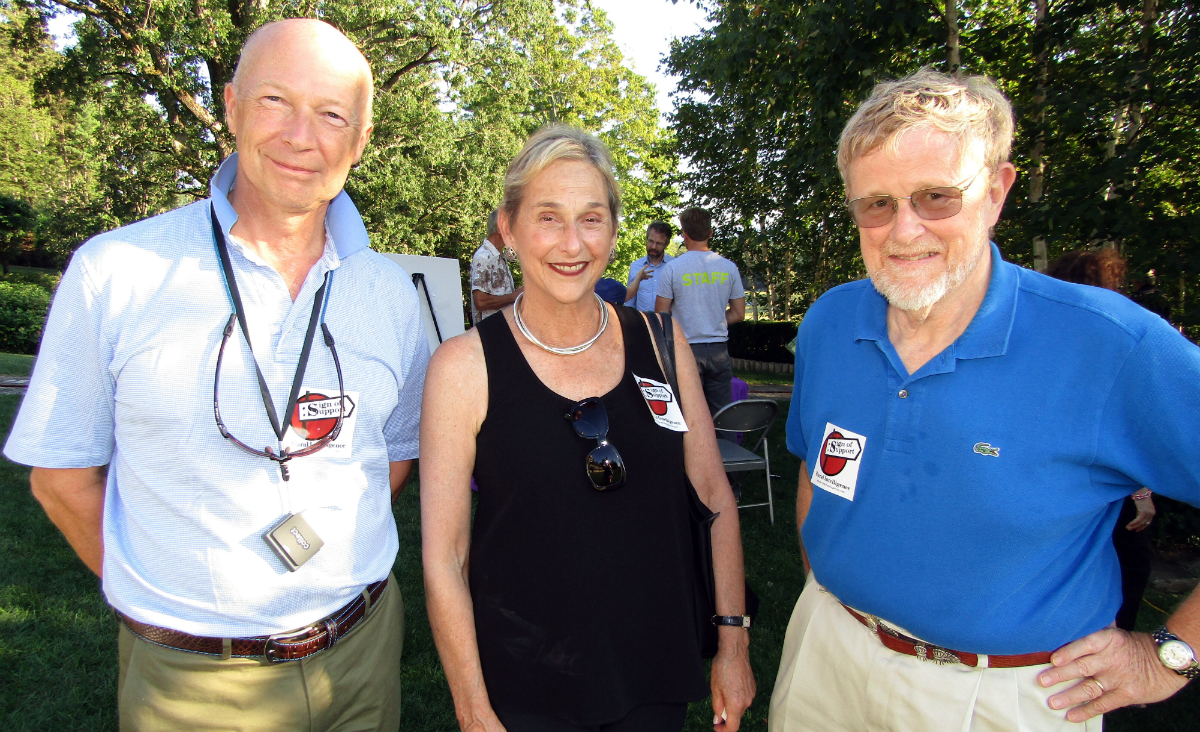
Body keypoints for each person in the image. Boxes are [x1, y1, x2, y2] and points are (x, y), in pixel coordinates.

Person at [4, 20, 429, 730]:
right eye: (275, 101)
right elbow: (60, 479)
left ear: (359, 140)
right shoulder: (118, 272)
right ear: (230, 106)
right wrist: (174, 607)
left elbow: (393, 455)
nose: (302, 135)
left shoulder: (389, 293)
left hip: (362, 657)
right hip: (191, 684)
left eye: (332, 114)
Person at [770, 68, 1200, 732]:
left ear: (997, 191)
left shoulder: (1110, 345)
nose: (904, 230)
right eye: (876, 204)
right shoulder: (830, 322)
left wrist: (1169, 656)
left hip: (1000, 694)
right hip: (828, 657)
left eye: (936, 197)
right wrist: (826, 599)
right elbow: (814, 468)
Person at [421, 125, 755, 732]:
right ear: (510, 227)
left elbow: (713, 496)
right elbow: (445, 555)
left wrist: (732, 644)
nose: (571, 243)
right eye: (548, 217)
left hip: (652, 671)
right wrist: (472, 709)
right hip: (525, 687)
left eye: (591, 218)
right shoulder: (463, 368)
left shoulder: (659, 342)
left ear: (614, 228)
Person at [1046, 249, 1157, 632]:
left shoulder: (1040, 337)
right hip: (1098, 484)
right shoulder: (1114, 339)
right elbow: (1126, 427)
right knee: (1124, 567)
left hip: (1050, 484)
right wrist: (1141, 496)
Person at [654, 208, 746, 415]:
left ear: (684, 234)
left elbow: (661, 315)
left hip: (685, 349)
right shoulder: (729, 267)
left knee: (688, 414)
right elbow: (739, 313)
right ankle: (725, 447)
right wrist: (713, 320)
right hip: (719, 351)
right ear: (710, 233)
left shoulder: (673, 269)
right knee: (722, 414)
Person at [470, 207, 522, 324]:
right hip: (490, 333)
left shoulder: (499, 256)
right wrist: (514, 296)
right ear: (500, 228)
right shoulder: (483, 257)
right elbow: (480, 302)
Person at [625, 221, 674, 312]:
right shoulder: (636, 266)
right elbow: (630, 303)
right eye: (651, 241)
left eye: (659, 243)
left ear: (666, 244)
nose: (653, 246)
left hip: (667, 324)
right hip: (642, 324)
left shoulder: (674, 266)